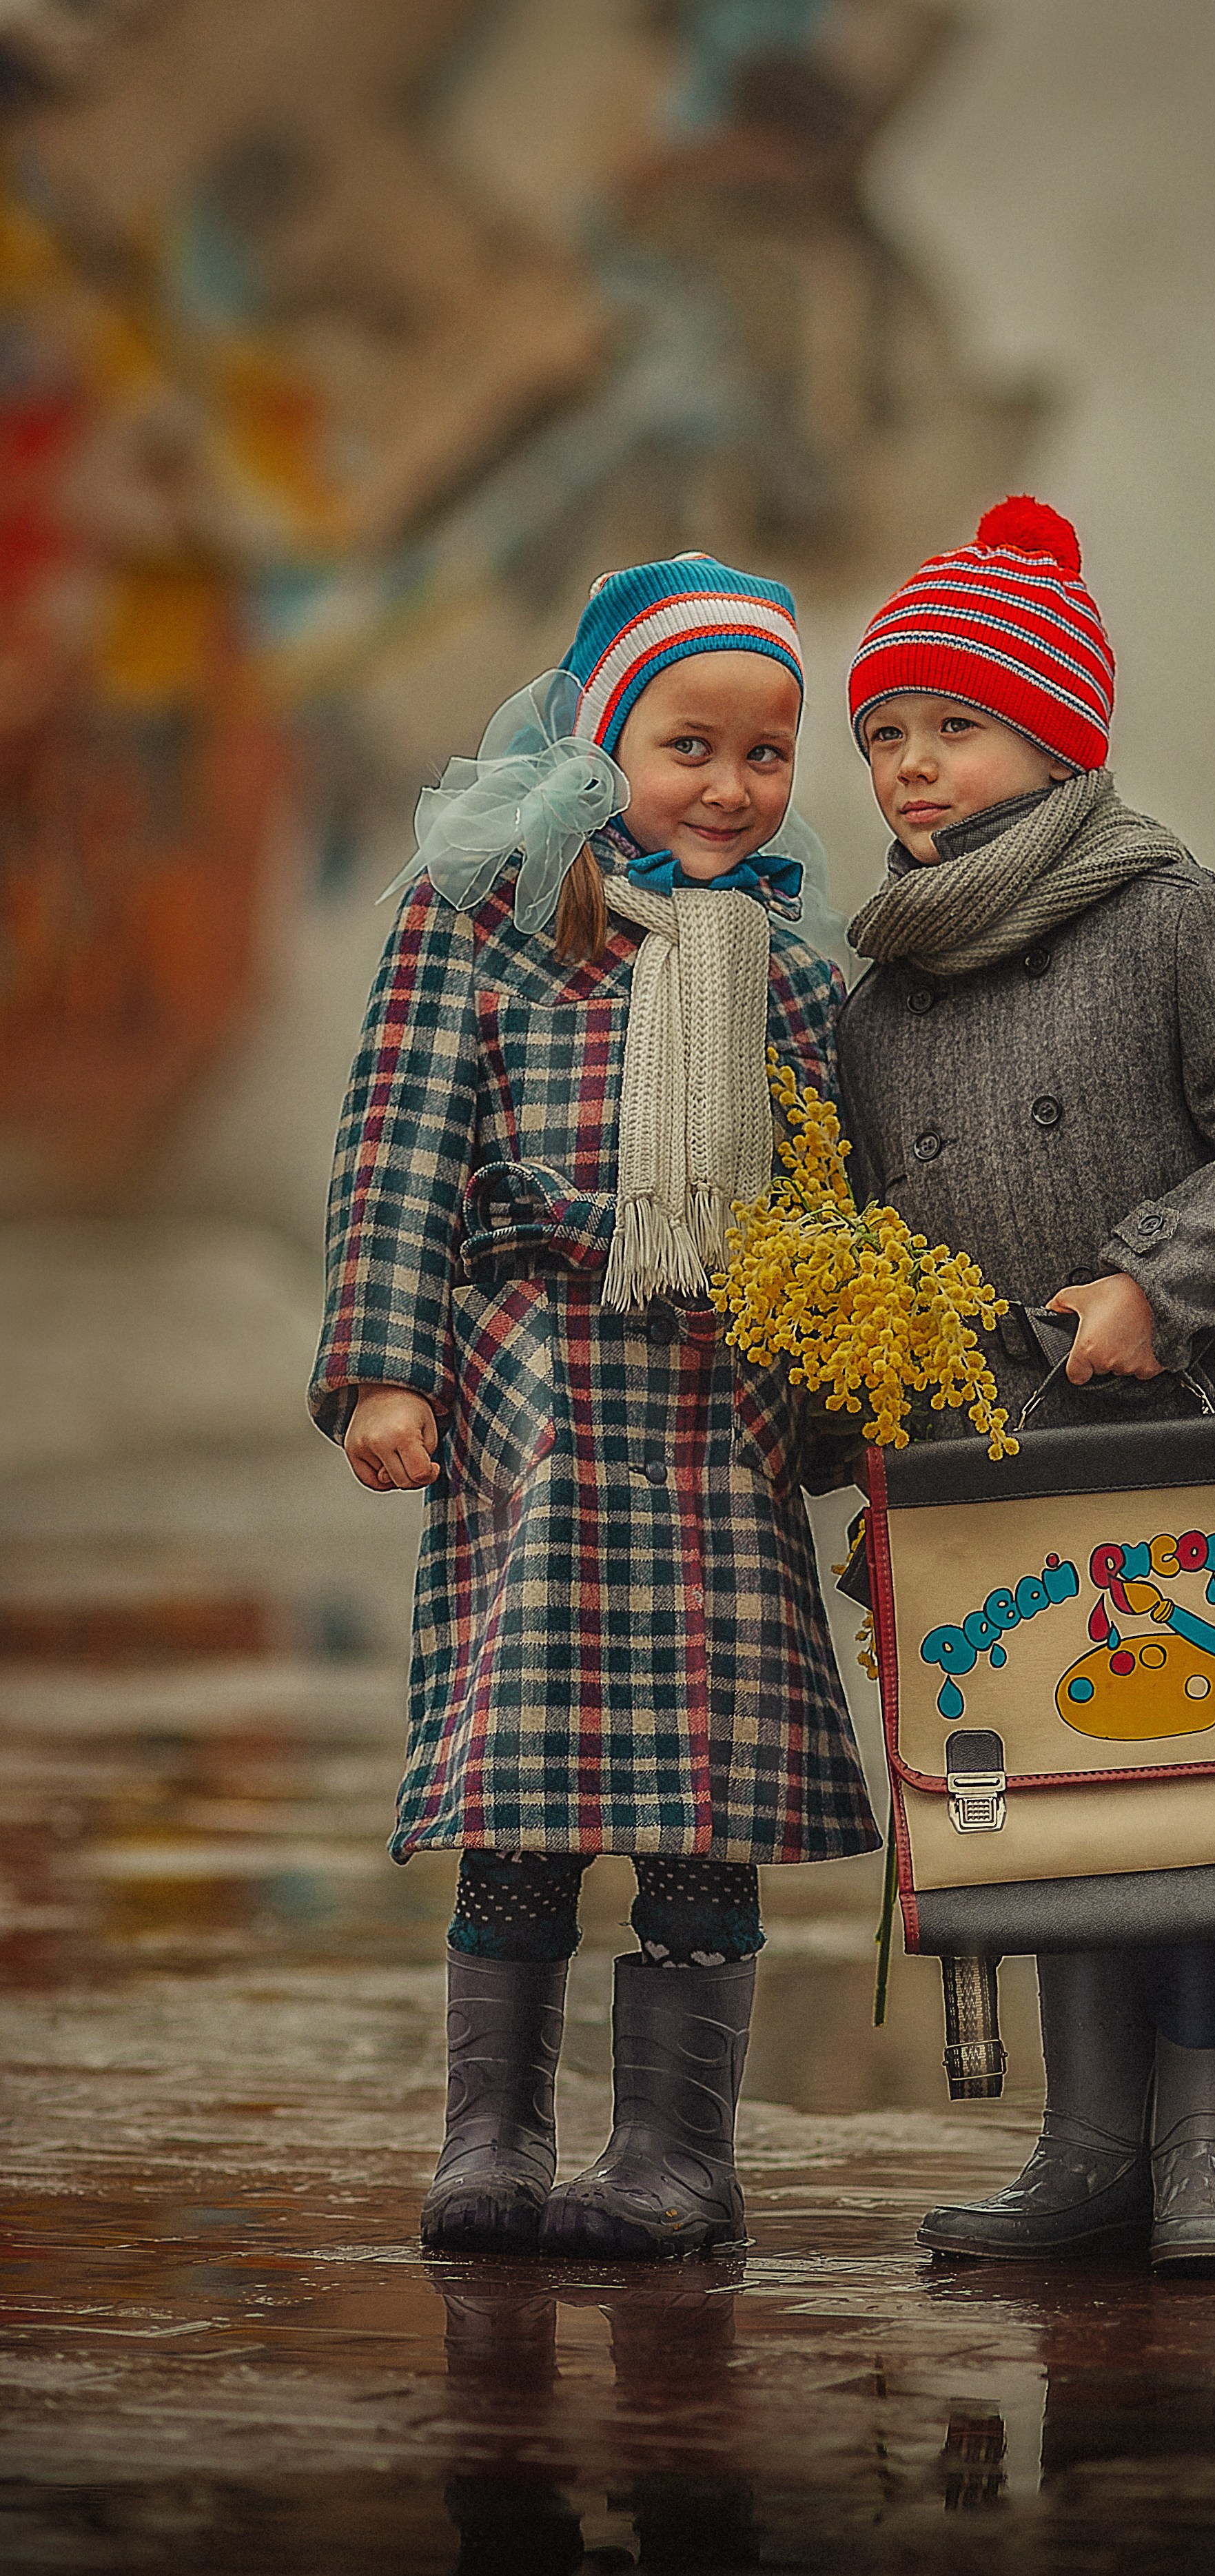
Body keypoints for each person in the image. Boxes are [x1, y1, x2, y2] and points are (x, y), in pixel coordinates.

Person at [837, 496, 1215, 2269]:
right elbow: (867, 1229)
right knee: (1042, 1811)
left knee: (1202, 1808)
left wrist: (1158, 1286)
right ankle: (1084, 2146)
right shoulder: (877, 997)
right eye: (883, 736)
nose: (911, 767)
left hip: (1186, 1438)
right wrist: (851, 1406)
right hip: (1000, 1473)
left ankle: (1202, 2152)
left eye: (952, 725)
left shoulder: (1174, 916)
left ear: (1055, 735)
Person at [310, 553, 878, 2260]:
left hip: (716, 1424)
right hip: (526, 1408)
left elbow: (827, 1210)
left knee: (704, 1810)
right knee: (526, 1796)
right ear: (603, 745)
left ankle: (674, 2159)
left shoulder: (784, 965)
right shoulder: (472, 920)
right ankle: (487, 2138)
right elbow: (397, 1151)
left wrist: (854, 1409)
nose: (727, 787)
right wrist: (384, 1369)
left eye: (764, 755)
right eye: (687, 746)